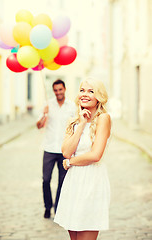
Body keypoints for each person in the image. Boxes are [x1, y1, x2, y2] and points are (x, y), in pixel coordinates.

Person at [54, 78, 111, 240]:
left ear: (99, 96)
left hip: (92, 181)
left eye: (91, 91)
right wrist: (81, 123)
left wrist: (71, 162)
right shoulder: (74, 121)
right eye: (82, 90)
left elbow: (95, 155)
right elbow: (66, 151)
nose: (85, 94)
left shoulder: (103, 119)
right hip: (73, 181)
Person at [37, 79, 75, 219]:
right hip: (49, 148)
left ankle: (58, 208)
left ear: (64, 89)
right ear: (53, 91)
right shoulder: (48, 105)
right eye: (56, 90)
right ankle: (47, 207)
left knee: (62, 182)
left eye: (60, 89)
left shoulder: (72, 106)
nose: (58, 92)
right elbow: (39, 125)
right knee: (46, 179)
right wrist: (44, 115)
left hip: (65, 150)